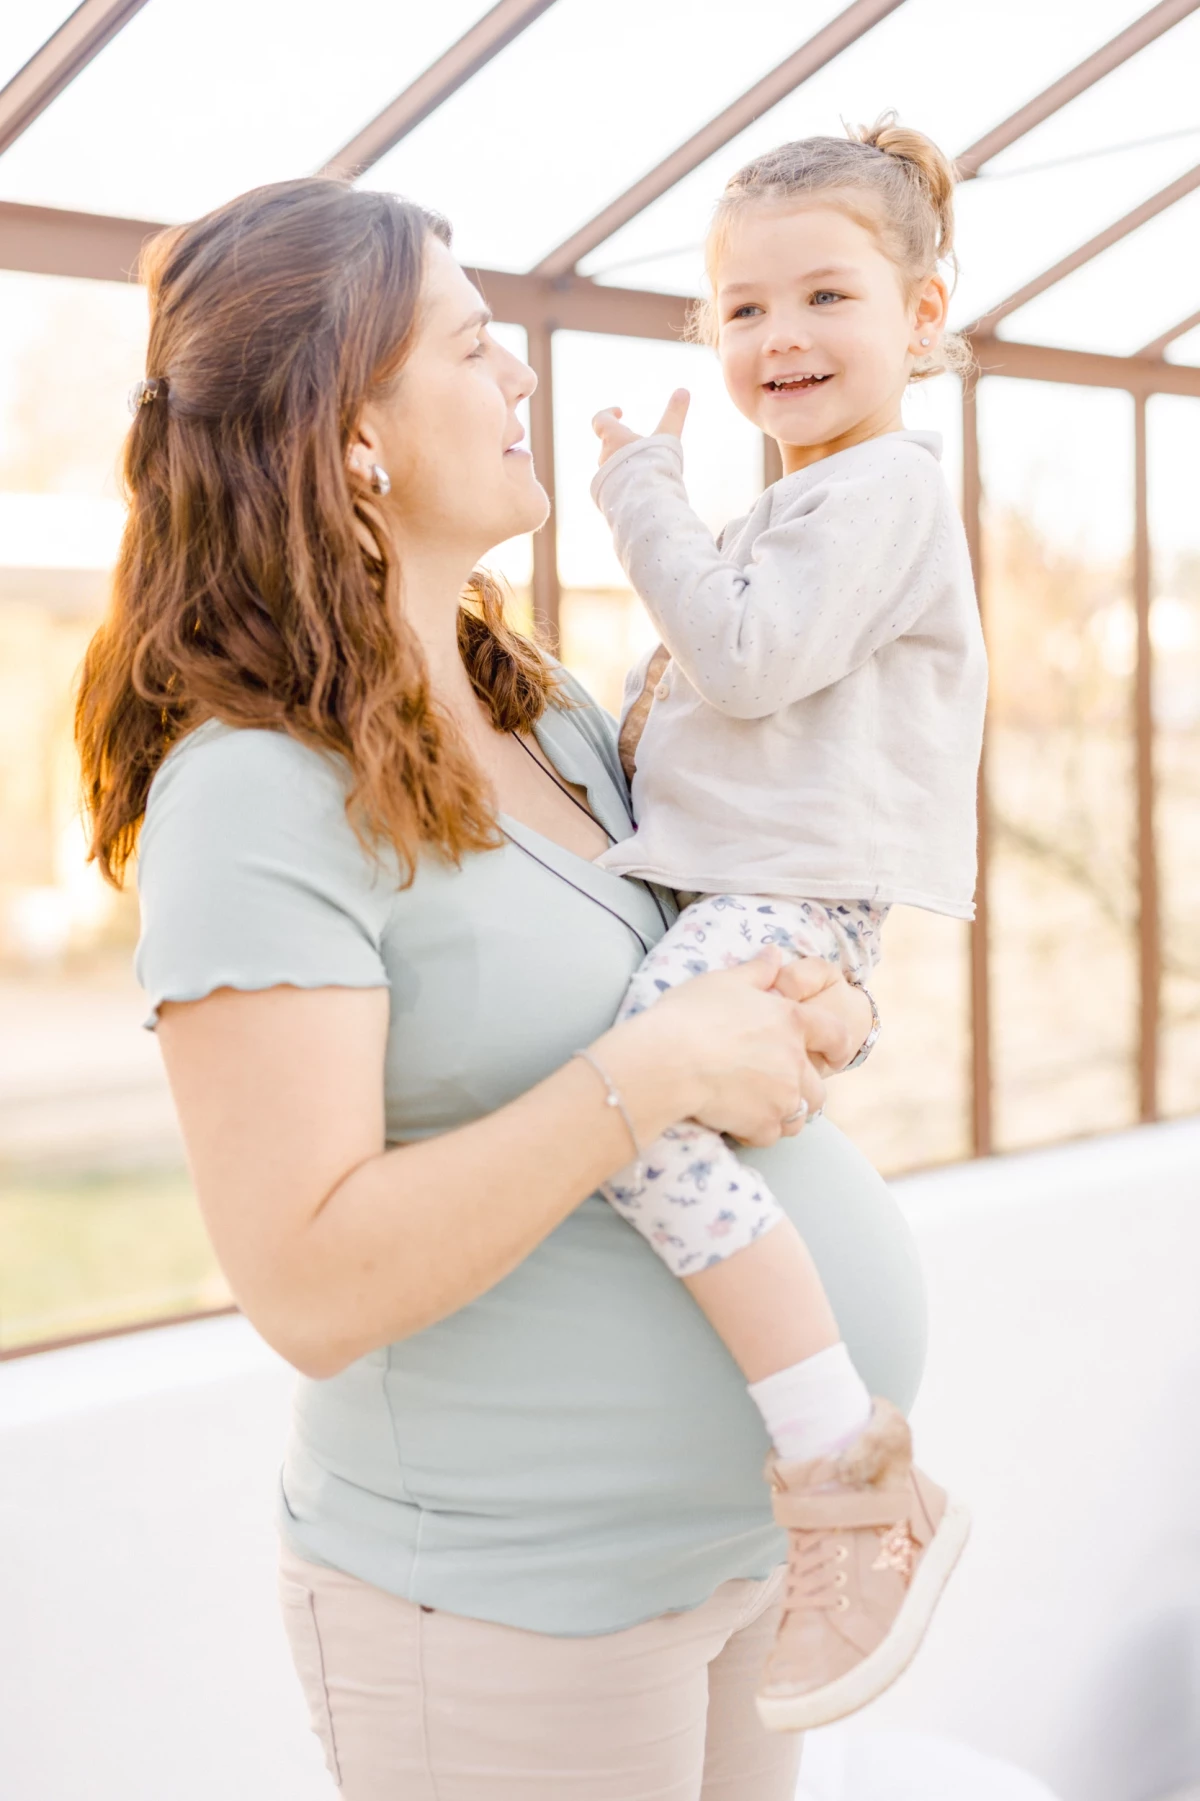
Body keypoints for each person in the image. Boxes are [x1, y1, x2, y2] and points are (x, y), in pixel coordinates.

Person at [75, 177, 929, 1801]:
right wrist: (656, 1075)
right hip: (507, 1612)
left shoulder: (538, 708)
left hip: (745, 1559)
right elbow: (309, 1284)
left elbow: (722, 984)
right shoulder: (257, 790)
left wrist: (829, 1017)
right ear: (354, 438)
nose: (521, 375)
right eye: (475, 348)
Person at [587, 118, 984, 1731]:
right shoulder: (820, 498)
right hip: (754, 892)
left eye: (827, 295)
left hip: (783, 899)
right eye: (743, 310)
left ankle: (846, 1472)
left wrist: (634, 497)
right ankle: (829, 1464)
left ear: (924, 313)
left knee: (632, 1117)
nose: (782, 338)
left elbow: (742, 663)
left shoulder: (883, 488)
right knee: (648, 1110)